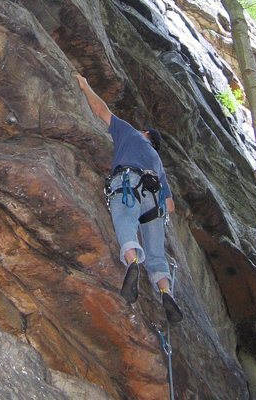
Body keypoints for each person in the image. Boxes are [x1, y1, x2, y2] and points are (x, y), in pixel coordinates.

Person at [75, 73, 183, 323]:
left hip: (130, 182)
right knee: (156, 255)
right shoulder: (157, 162)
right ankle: (165, 290)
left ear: (145, 133)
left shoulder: (132, 134)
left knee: (125, 219)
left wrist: (85, 84)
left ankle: (132, 262)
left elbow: (102, 111)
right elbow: (170, 206)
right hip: (154, 202)